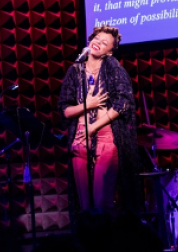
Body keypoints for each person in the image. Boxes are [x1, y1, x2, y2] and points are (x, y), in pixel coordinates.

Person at [58, 25, 142, 222]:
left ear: (109, 51)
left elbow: (123, 103)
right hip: (79, 139)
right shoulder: (74, 71)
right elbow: (65, 110)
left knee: (101, 204)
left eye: (105, 43)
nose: (98, 43)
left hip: (105, 139)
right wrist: (87, 105)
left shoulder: (114, 69)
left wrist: (94, 127)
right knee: (85, 207)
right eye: (97, 38)